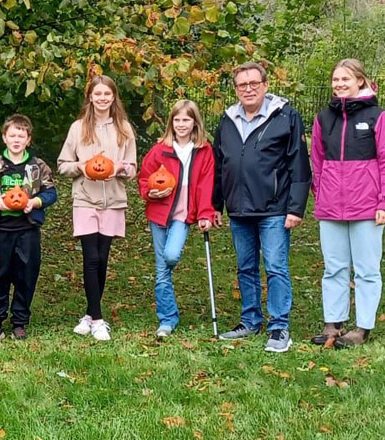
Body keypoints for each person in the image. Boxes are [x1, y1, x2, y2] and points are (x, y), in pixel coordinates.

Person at [213, 62, 311, 352]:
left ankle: (279, 327)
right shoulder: (228, 120)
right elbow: (221, 165)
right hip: (239, 209)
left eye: (254, 83)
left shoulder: (286, 117)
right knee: (245, 268)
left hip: (275, 208)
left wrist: (296, 208)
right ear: (236, 89)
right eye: (242, 85)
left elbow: (298, 164)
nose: (248, 89)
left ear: (265, 85)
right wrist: (215, 204)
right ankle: (250, 320)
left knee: (276, 267)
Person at [309, 59, 385, 348]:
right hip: (331, 206)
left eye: (346, 79)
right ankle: (334, 323)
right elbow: (317, 159)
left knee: (367, 270)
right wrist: (321, 190)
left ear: (361, 82)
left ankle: (362, 327)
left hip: (367, 206)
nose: (339, 84)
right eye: (336, 80)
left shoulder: (378, 117)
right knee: (334, 267)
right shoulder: (323, 118)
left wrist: (383, 202)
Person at [57, 76, 137, 341]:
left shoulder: (124, 128)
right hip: (85, 199)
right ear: (90, 97)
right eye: (97, 94)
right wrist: (80, 166)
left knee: (102, 259)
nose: (102, 98)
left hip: (113, 200)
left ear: (114, 97)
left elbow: (132, 168)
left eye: (107, 94)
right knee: (90, 258)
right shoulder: (78, 128)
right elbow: (63, 164)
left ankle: (90, 314)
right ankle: (99, 320)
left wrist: (120, 169)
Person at [137, 101, 215, 338]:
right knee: (161, 269)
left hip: (183, 213)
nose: (181, 125)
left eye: (186, 120)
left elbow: (205, 184)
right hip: (159, 212)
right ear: (171, 122)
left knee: (170, 256)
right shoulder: (160, 149)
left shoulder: (203, 150)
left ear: (194, 122)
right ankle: (167, 318)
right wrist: (149, 193)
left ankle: (167, 295)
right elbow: (144, 178)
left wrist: (205, 213)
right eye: (177, 120)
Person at [0, 115, 57, 342]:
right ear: (4, 138)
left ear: (28, 139)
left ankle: (20, 321)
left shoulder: (37, 166)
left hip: (28, 229)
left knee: (26, 275)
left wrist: (35, 202)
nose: (16, 139)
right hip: (2, 230)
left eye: (21, 136)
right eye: (12, 135)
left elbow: (51, 192)